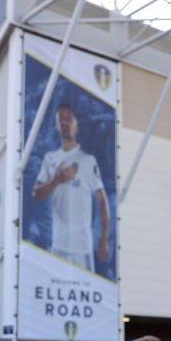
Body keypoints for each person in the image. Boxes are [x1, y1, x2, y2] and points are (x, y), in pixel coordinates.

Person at [31, 103, 110, 272]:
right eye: (61, 119)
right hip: (59, 243)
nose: (65, 122)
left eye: (69, 119)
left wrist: (104, 239)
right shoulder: (50, 159)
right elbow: (36, 194)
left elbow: (102, 201)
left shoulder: (88, 160)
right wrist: (57, 179)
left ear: (76, 125)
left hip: (83, 246)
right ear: (56, 126)